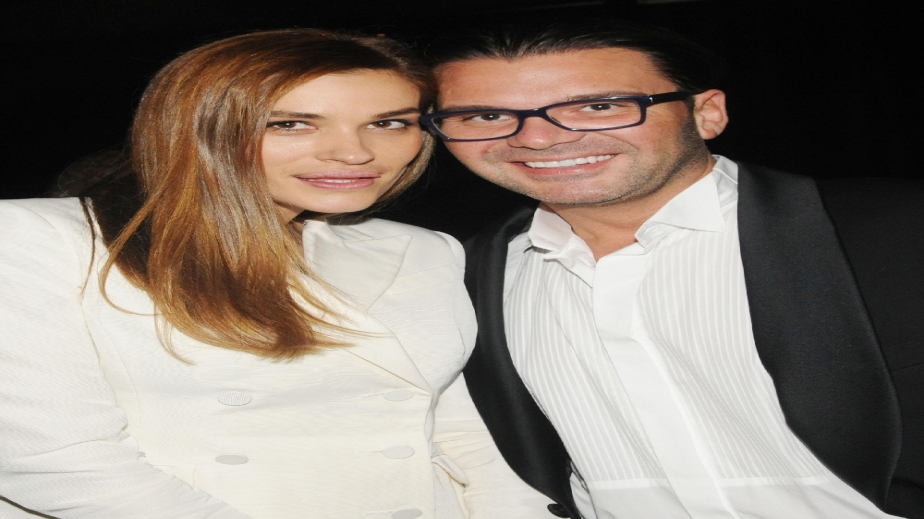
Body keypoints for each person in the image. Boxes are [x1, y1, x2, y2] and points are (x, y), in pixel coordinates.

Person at [0, 29, 551, 518]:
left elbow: (464, 433)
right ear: (198, 129)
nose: (354, 152)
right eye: (291, 124)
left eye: (387, 123)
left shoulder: (423, 250)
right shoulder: (45, 238)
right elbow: (58, 460)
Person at [418, 21, 924, 519]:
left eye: (598, 107)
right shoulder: (456, 278)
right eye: (485, 116)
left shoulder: (896, 231)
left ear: (706, 113)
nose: (538, 138)